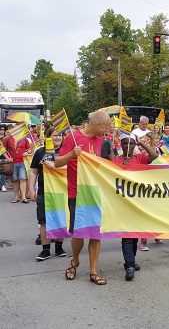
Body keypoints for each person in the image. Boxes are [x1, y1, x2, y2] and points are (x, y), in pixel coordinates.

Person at [55, 110, 111, 285]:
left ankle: (93, 271)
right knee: (78, 232)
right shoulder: (73, 137)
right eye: (107, 127)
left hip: (95, 193)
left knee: (95, 233)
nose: (108, 131)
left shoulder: (100, 140)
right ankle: (75, 260)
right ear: (97, 125)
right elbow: (57, 162)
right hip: (76, 193)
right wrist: (72, 154)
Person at [112, 133, 157, 280]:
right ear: (121, 144)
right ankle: (129, 265)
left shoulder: (139, 158)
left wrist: (141, 143)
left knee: (135, 234)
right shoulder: (116, 160)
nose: (128, 146)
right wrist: (122, 167)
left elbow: (154, 155)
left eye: (131, 144)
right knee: (127, 236)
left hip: (138, 203)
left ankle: (132, 260)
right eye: (125, 143)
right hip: (123, 204)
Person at [29, 126, 67, 261]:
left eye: (60, 135)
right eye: (55, 135)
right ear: (47, 137)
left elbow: (75, 167)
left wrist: (57, 166)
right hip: (43, 190)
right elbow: (33, 171)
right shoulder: (39, 151)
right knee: (43, 219)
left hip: (62, 191)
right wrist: (30, 189)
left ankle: (59, 247)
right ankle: (45, 250)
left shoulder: (66, 150)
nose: (58, 138)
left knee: (61, 218)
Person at [2, 126, 32, 203]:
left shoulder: (24, 139)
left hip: (22, 162)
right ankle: (16, 197)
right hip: (12, 163)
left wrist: (27, 152)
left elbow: (29, 148)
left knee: (23, 179)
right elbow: (2, 150)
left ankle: (24, 197)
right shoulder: (7, 139)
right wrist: (8, 158)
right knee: (15, 180)